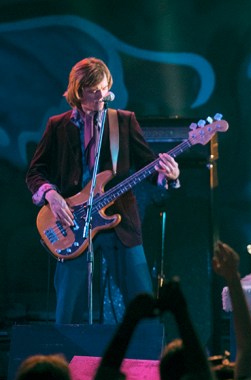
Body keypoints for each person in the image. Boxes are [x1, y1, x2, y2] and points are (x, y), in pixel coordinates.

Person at [26, 57, 180, 324]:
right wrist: (52, 196)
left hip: (119, 219)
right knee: (68, 311)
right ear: (78, 91)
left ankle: (144, 363)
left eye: (103, 87)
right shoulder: (57, 125)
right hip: (72, 223)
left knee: (143, 303)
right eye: (93, 90)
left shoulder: (123, 121)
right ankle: (67, 364)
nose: (101, 95)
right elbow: (35, 172)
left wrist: (170, 175)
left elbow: (149, 165)